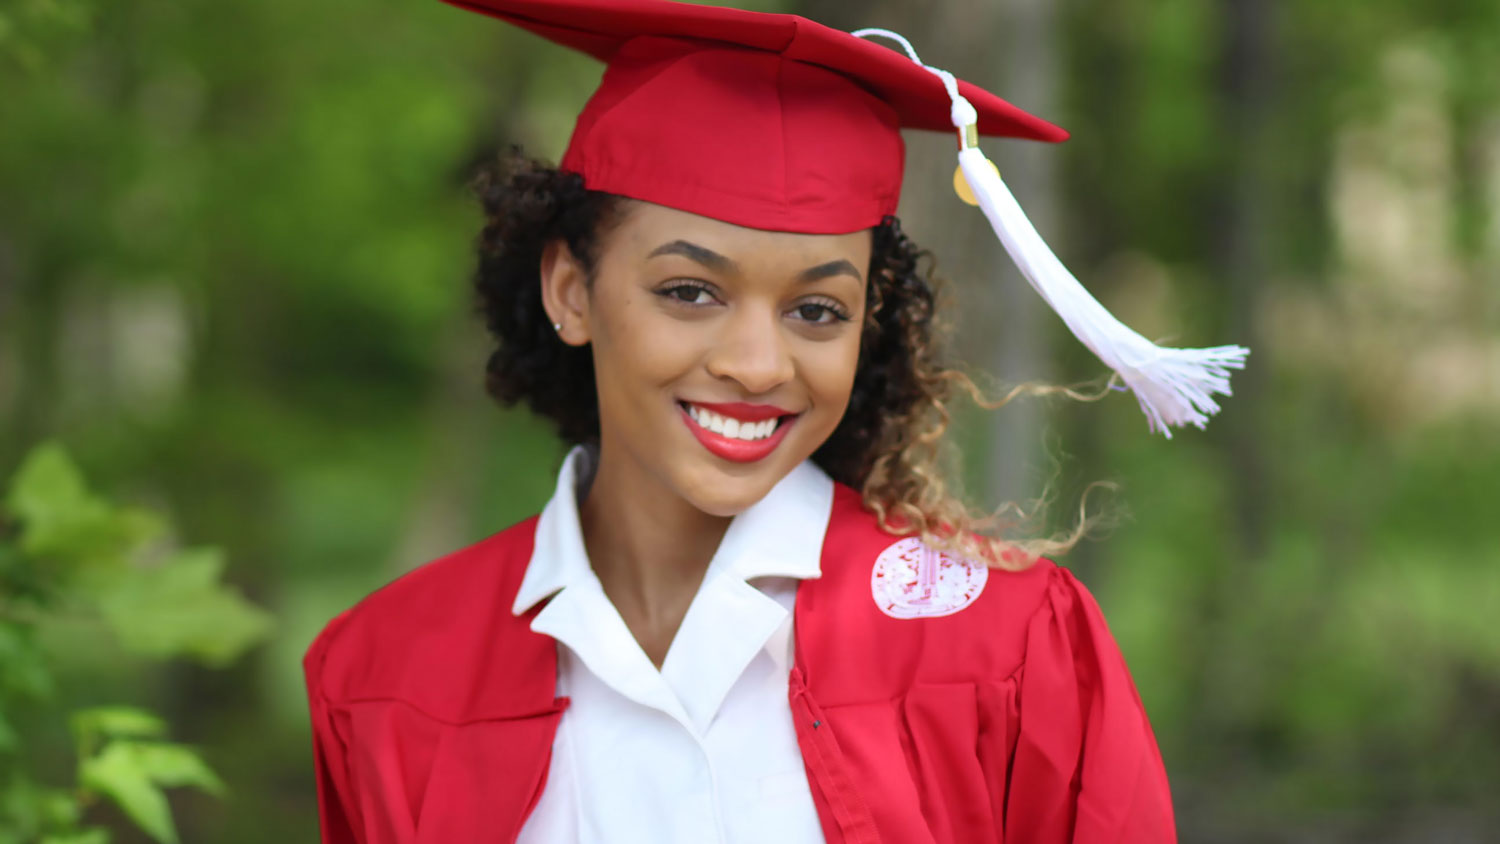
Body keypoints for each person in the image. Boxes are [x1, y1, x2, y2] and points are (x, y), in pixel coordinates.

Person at [302, 1, 1249, 841]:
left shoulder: (1005, 645)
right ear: (570, 290)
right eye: (688, 291)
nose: (758, 365)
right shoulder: (387, 676)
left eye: (816, 311)